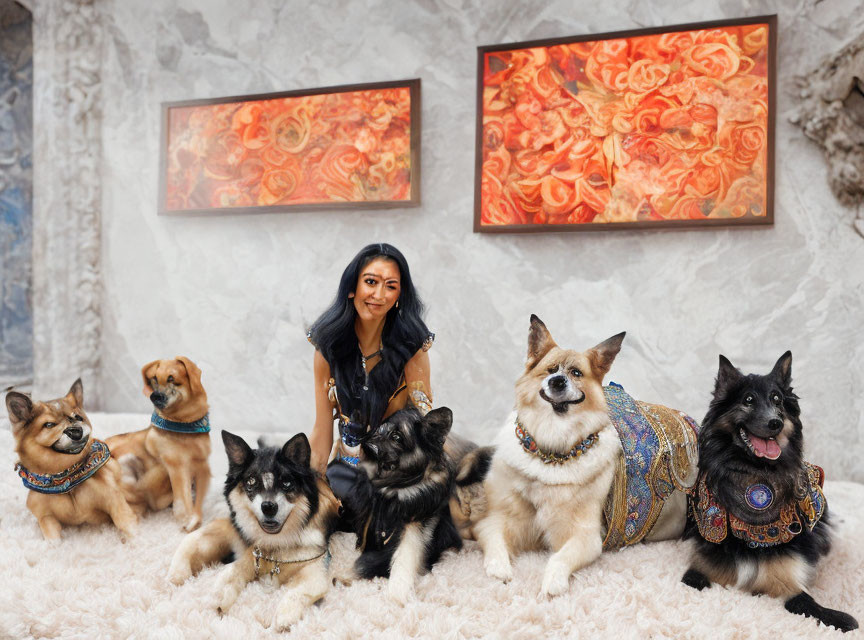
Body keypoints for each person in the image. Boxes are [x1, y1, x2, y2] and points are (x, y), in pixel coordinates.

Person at [306, 243, 434, 521]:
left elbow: (425, 421)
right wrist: (312, 482)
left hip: (397, 465)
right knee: (325, 505)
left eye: (390, 286)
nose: (378, 295)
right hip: (350, 462)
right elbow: (322, 428)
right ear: (352, 287)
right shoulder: (327, 345)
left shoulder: (412, 345)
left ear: (400, 295)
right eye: (371, 282)